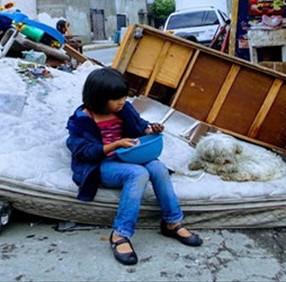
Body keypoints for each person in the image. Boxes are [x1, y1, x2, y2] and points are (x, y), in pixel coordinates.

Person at [66, 68, 202, 266]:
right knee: (138, 173)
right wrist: (114, 145)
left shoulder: (124, 109)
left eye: (124, 97)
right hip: (102, 164)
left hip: (128, 156)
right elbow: (82, 150)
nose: (122, 102)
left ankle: (172, 222)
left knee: (157, 167)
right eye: (116, 99)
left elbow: (140, 125)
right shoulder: (81, 121)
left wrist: (150, 129)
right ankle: (120, 234)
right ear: (98, 98)